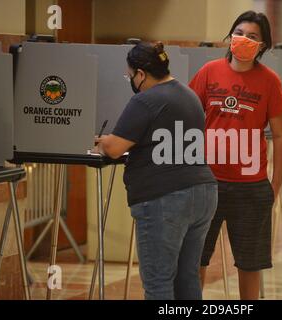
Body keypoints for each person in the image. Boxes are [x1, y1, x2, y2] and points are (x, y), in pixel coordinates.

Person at [95, 42, 218, 300]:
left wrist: (101, 140)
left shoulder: (145, 100)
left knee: (158, 281)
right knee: (187, 278)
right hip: (204, 192)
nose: (131, 80)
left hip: (165, 199)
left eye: (131, 75)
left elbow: (116, 148)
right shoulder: (189, 95)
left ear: (141, 74)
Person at [189, 11, 282, 300]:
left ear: (263, 46)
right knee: (196, 258)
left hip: (251, 187)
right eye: (240, 32)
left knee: (250, 262)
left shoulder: (270, 81)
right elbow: (188, 118)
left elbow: (280, 135)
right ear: (231, 36)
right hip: (206, 183)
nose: (244, 39)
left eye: (253, 36)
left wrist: (276, 184)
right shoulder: (209, 72)